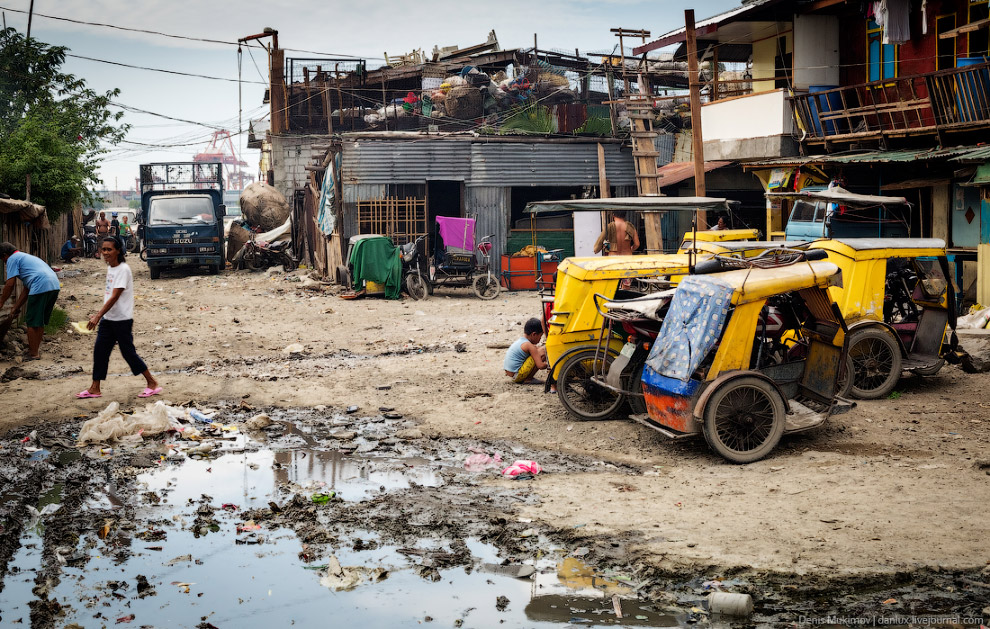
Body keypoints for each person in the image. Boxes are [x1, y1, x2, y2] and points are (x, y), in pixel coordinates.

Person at [77, 237, 161, 399]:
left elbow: (115, 296)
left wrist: (98, 316)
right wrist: (100, 314)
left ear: (118, 251)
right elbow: (109, 296)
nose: (105, 253)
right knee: (100, 352)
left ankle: (152, 383)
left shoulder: (123, 269)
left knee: (128, 353)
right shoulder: (111, 269)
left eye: (109, 249)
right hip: (109, 319)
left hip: (122, 320)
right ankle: (95, 388)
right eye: (103, 249)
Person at [0, 242, 61, 360]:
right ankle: (35, 351)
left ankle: (33, 354)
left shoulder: (12, 259)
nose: (5, 263)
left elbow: (9, 284)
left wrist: (1, 301)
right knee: (39, 321)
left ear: (5, 255)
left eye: (3, 260)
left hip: (40, 285)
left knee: (32, 322)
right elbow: (26, 289)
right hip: (53, 285)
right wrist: (16, 307)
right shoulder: (26, 258)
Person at [503, 318, 548, 384]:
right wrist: (550, 365)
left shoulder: (521, 341)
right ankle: (528, 379)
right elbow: (540, 366)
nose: (540, 339)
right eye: (540, 336)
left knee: (538, 350)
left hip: (512, 373)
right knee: (543, 351)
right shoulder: (529, 345)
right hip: (518, 375)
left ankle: (527, 378)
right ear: (534, 334)